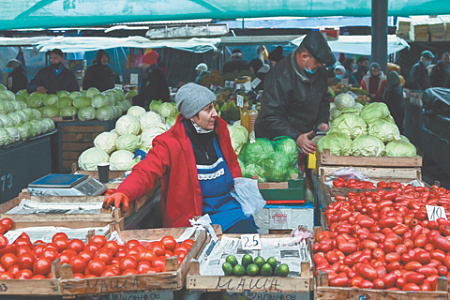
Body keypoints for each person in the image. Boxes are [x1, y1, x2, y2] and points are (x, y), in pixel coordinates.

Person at [103, 83, 258, 233]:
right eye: (208, 109)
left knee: (247, 234)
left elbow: (231, 162)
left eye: (214, 107)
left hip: (226, 207)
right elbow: (146, 170)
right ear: (192, 115)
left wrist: (239, 186)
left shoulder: (220, 131)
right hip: (193, 215)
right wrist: (125, 192)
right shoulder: (169, 143)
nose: (215, 114)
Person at [254, 31, 336, 155]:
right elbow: (271, 116)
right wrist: (296, 137)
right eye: (317, 62)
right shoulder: (279, 76)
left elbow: (324, 99)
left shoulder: (320, 72)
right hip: (276, 143)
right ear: (304, 56)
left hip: (305, 138)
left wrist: (322, 121)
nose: (320, 66)